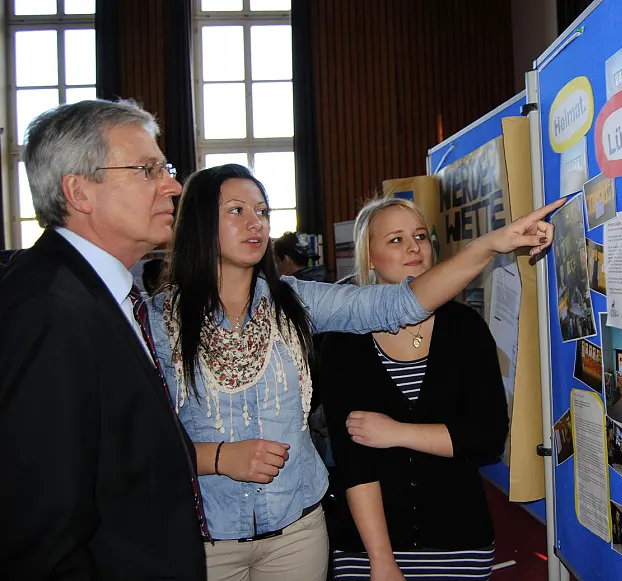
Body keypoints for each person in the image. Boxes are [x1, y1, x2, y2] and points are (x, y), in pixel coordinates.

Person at [148, 167, 559, 580]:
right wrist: (217, 457)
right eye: (237, 211)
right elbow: (135, 442)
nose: (256, 223)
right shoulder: (158, 321)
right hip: (205, 536)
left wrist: (490, 245)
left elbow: (400, 305)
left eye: (262, 211)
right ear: (200, 221)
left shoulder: (296, 302)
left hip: (296, 532)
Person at [0, 100, 207, 579]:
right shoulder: (46, 309)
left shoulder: (96, 293)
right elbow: (39, 535)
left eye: (166, 169)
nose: (173, 186)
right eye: (147, 170)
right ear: (79, 192)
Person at [320, 197, 509, 580]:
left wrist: (396, 432)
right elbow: (353, 463)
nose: (414, 247)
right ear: (369, 257)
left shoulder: (465, 328)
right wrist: (381, 561)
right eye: (396, 239)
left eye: (420, 236)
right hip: (366, 550)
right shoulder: (344, 339)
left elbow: (487, 439)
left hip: (460, 543)